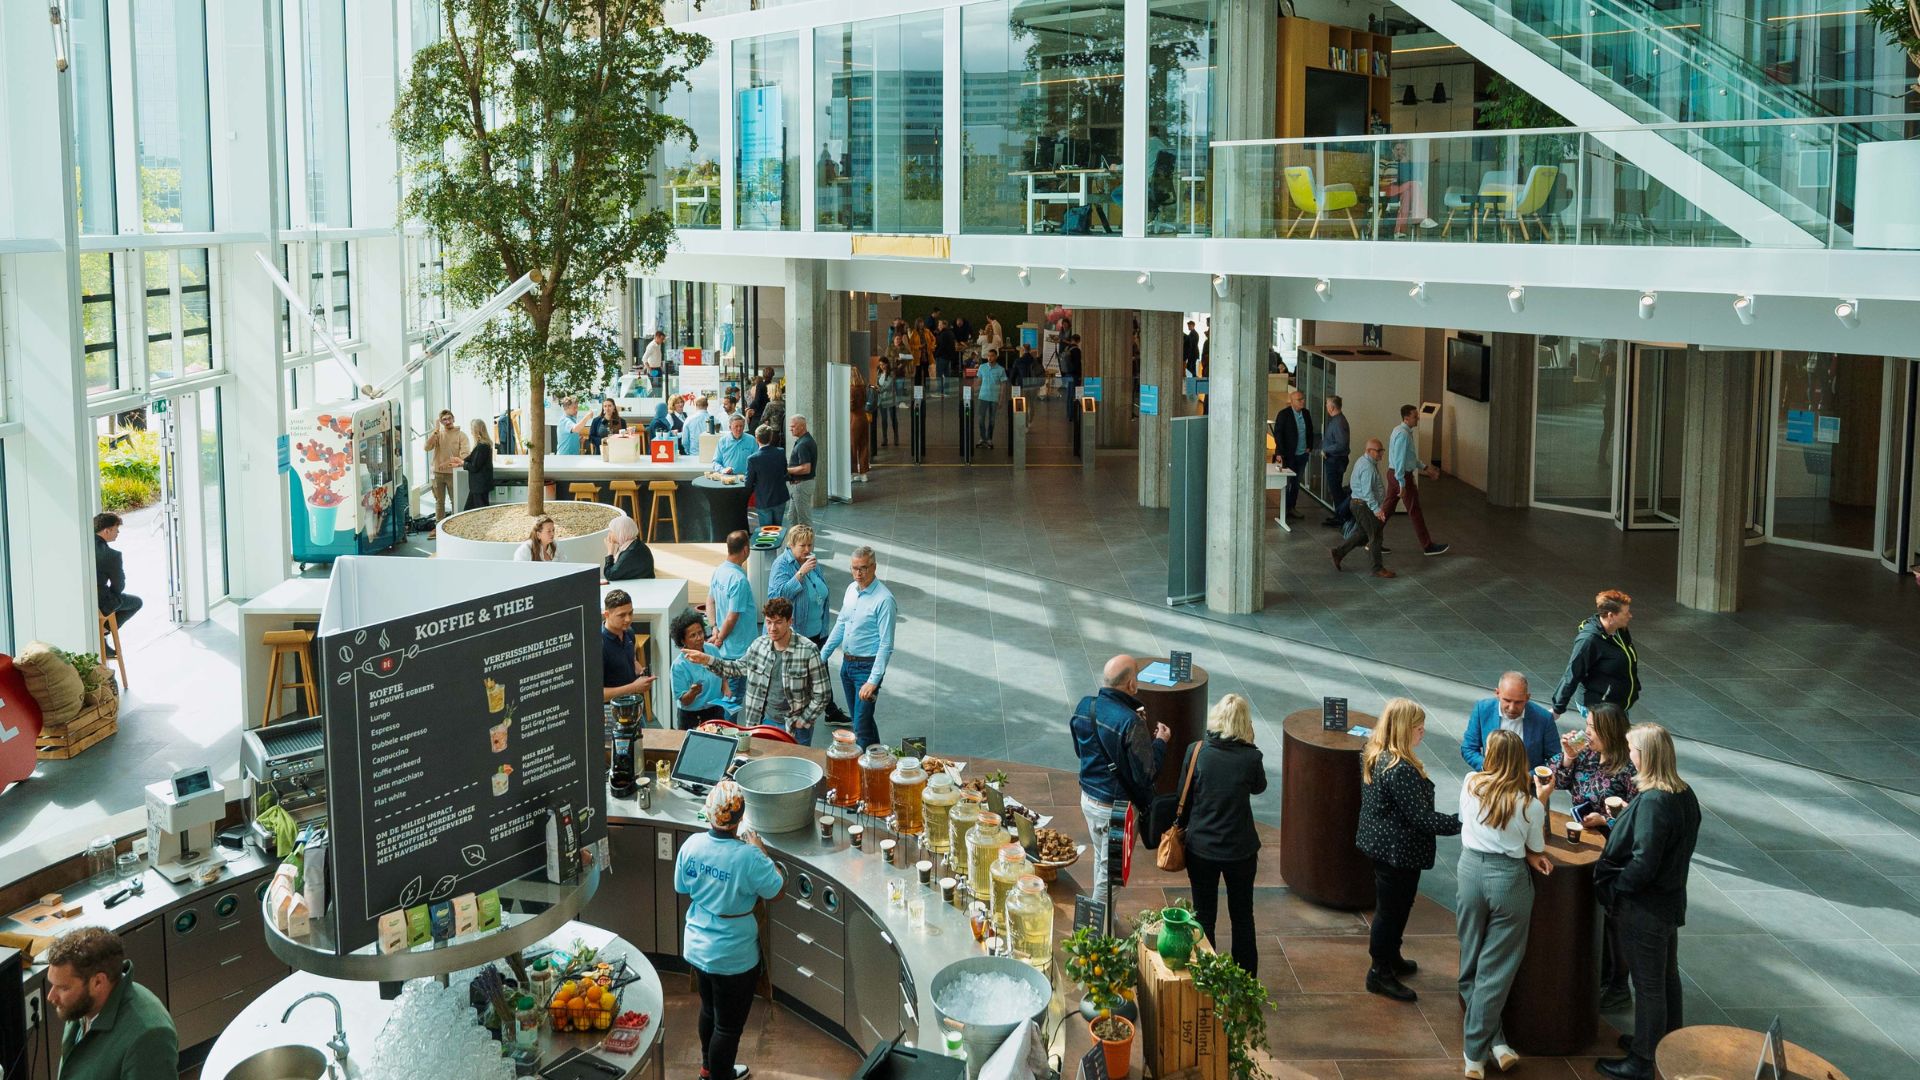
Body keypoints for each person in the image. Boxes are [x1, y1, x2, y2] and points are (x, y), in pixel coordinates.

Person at [1593, 724, 1700, 1080]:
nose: (1629, 756)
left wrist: (1619, 888)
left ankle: (1642, 1060)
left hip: (1645, 908)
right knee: (1667, 977)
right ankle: (1665, 1043)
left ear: (1647, 756)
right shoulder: (1684, 794)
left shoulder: (1654, 801)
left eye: (1632, 750)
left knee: (1649, 984)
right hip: (1670, 902)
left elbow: (1644, 861)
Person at [1455, 729, 1555, 1079]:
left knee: (1471, 959)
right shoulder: (1530, 805)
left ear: (1490, 756)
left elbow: (1467, 822)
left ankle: (1493, 1043)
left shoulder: (1470, 783)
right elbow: (1536, 848)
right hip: (1509, 882)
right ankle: (1476, 1052)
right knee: (1496, 970)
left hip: (1470, 873)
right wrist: (1540, 796)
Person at [674, 779, 784, 1080]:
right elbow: (776, 890)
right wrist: (761, 850)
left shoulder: (692, 845)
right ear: (739, 820)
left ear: (709, 813)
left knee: (710, 1010)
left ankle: (707, 1070)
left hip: (697, 948)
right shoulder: (749, 857)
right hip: (734, 957)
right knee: (728, 1027)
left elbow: (681, 886)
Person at [1355, 698, 1462, 1002]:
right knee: (1391, 912)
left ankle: (1392, 956)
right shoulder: (1399, 769)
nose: (1423, 732)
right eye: (1418, 727)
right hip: (1397, 852)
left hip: (1382, 844)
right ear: (1403, 729)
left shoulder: (1372, 753)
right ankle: (1379, 972)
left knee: (1396, 906)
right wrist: (1463, 823)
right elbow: (1422, 818)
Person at [1549, 701, 1638, 1010]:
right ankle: (1594, 974)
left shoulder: (1629, 767)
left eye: (1592, 730)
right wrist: (1568, 757)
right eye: (1586, 728)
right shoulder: (1584, 754)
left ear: (1609, 733)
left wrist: (1608, 820)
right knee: (1589, 911)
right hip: (1583, 844)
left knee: (1614, 920)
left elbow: (1641, 814)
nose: (1586, 734)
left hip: (1616, 851)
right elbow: (1556, 780)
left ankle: (1617, 986)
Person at [1174, 694, 1267, 974]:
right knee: (1242, 917)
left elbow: (1183, 796)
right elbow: (1259, 787)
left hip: (1201, 848)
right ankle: (1246, 980)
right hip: (1241, 851)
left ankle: (1206, 976)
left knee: (1204, 917)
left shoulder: (1197, 751)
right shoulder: (1251, 757)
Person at [1070, 655, 1172, 902]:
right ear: (1132, 684)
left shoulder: (1085, 707)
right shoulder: (1130, 722)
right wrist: (1160, 742)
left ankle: (1106, 920)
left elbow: (1080, 750)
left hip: (1089, 799)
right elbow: (1147, 773)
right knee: (1112, 877)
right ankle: (1098, 934)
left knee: (1102, 863)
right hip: (1117, 811)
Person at [684, 597, 831, 742]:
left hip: (794, 726)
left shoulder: (808, 651)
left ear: (789, 621)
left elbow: (823, 693)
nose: (772, 628)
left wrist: (804, 720)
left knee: (795, 765)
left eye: (778, 622)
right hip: (762, 722)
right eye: (769, 622)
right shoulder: (758, 646)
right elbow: (735, 668)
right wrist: (706, 659)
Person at [45, 926, 177, 1080]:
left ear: (98, 982)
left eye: (63, 988)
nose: (51, 997)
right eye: (52, 985)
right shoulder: (82, 1005)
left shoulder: (149, 1036)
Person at [768, 526, 849, 727]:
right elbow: (778, 598)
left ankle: (830, 711)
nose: (807, 549)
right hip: (797, 634)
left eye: (810, 544)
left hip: (817, 630)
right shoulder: (782, 565)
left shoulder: (811, 560)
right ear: (791, 545)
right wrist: (800, 574)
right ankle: (794, 716)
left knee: (822, 670)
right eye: (802, 545)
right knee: (800, 678)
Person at [818, 546, 897, 750]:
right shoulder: (851, 589)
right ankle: (879, 762)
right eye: (854, 568)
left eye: (863, 568)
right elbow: (842, 623)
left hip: (867, 669)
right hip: (848, 665)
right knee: (863, 721)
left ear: (874, 567)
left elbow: (886, 644)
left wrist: (873, 681)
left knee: (860, 727)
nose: (858, 574)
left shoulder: (884, 600)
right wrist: (822, 656)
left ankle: (861, 775)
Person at [1551, 589, 1642, 718]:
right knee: (1608, 738)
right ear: (1611, 615)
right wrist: (1557, 708)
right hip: (1599, 708)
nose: (1630, 616)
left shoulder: (1619, 631)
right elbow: (1573, 673)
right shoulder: (1588, 640)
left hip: (1617, 705)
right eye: (1626, 613)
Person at [1385, 403, 1450, 557]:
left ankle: (1371, 540)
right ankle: (1427, 546)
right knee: (1414, 510)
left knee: (1387, 509)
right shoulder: (1403, 435)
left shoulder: (1400, 431)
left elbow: (1410, 458)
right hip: (1401, 476)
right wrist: (1402, 483)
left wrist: (1426, 468)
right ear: (1406, 417)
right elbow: (1400, 461)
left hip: (1395, 474)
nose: (1418, 419)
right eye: (1415, 416)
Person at [1461, 672, 1560, 771]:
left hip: (1528, 783)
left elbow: (1555, 758)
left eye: (1518, 702)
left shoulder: (1544, 719)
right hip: (1491, 779)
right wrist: (1488, 768)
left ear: (1527, 697)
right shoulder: (1482, 709)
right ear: (1497, 693)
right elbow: (1468, 749)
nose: (1512, 708)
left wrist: (1528, 777)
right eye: (1507, 700)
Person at [1330, 438, 1395, 579]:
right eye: (1378, 451)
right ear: (1369, 451)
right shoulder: (1367, 467)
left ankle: (1339, 552)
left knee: (1362, 534)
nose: (1381, 454)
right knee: (1376, 535)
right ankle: (1377, 568)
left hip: (1359, 504)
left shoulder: (1365, 462)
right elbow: (1367, 492)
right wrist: (1377, 509)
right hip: (1363, 505)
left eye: (1382, 450)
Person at [707, 530, 757, 701]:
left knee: (726, 692)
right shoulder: (738, 580)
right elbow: (732, 617)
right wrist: (720, 637)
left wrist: (714, 627)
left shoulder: (719, 571)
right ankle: (727, 727)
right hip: (738, 650)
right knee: (733, 697)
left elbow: (710, 601)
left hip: (724, 647)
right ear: (745, 550)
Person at [669, 610, 728, 727]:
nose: (699, 638)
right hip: (692, 717)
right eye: (692, 635)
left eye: (700, 632)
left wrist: (726, 688)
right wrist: (692, 692)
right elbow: (684, 701)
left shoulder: (712, 650)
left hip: (716, 710)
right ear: (682, 640)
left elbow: (722, 671)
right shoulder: (679, 666)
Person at [600, 589, 657, 704]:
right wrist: (634, 687)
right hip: (610, 712)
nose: (628, 619)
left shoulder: (629, 632)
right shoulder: (599, 645)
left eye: (630, 613)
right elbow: (596, 694)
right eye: (622, 615)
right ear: (606, 615)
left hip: (631, 704)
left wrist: (640, 671)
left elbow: (632, 659)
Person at [93, 512, 142, 639]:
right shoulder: (111, 555)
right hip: (100, 603)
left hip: (80, 599)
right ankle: (103, 633)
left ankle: (101, 634)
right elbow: (119, 585)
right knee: (137, 602)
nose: (118, 533)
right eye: (116, 529)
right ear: (107, 531)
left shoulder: (81, 546)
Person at [1272, 389, 1316, 527]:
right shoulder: (1284, 415)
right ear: (1292, 402)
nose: (1303, 401)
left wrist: (1310, 446)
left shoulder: (1306, 413)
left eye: (1303, 399)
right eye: (1299, 399)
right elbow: (1278, 435)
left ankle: (1292, 507)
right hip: (1289, 455)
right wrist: (1280, 453)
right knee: (1287, 482)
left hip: (1302, 454)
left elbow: (1310, 430)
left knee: (1296, 483)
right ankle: (1284, 509)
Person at [425, 409, 470, 524]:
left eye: (449, 418)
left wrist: (448, 464)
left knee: (455, 500)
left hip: (453, 474)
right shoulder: (438, 435)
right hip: (437, 473)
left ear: (453, 419)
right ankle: (438, 526)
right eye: (444, 419)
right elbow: (426, 447)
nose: (447, 421)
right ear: (441, 421)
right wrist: (435, 431)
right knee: (439, 502)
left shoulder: (461, 435)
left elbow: (464, 456)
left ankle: (455, 525)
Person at [745, 425, 790, 528]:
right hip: (780, 497)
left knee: (766, 532)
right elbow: (784, 472)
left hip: (763, 499)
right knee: (778, 528)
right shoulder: (780, 452)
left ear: (756, 438)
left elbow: (748, 484)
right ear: (770, 437)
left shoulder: (752, 459)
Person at [1321, 395, 1352, 529]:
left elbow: (1342, 444)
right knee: (1335, 489)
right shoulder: (1336, 420)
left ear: (1332, 407)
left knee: (1336, 490)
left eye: (1327, 404)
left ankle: (1341, 516)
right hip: (1334, 459)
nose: (1326, 407)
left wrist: (1326, 449)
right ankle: (1339, 514)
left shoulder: (1339, 422)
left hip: (1336, 460)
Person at [786, 416, 818, 528]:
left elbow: (806, 468)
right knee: (792, 517)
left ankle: (807, 545)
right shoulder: (805, 440)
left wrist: (786, 470)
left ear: (802, 426)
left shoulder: (803, 444)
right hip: (801, 485)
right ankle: (795, 543)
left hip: (801, 485)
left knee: (805, 521)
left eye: (793, 426)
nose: (790, 429)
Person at [603, 514, 654, 581]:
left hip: (639, 588)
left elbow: (610, 575)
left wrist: (610, 552)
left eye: (612, 531)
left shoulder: (631, 552)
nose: (609, 534)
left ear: (621, 533)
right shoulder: (635, 544)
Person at [975, 349, 1008, 449]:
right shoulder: (982, 367)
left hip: (994, 398)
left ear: (996, 357)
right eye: (988, 356)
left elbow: (1003, 385)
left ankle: (989, 439)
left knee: (992, 420)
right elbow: (978, 381)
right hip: (983, 397)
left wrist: (1001, 399)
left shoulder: (1001, 369)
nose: (989, 358)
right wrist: (971, 391)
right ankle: (982, 438)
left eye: (992, 356)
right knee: (981, 419)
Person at [460, 419, 495, 509]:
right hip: (478, 486)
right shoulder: (481, 445)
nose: (471, 432)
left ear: (477, 430)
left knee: (479, 511)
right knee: (469, 510)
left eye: (472, 429)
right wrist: (460, 461)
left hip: (479, 486)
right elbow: (472, 458)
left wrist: (463, 463)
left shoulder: (482, 446)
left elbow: (474, 467)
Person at [875, 359, 900, 448]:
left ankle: (896, 437)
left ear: (887, 364)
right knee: (884, 420)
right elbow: (877, 383)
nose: (881, 366)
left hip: (890, 400)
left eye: (883, 364)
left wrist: (879, 389)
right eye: (880, 364)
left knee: (893, 419)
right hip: (882, 400)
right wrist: (875, 386)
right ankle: (885, 439)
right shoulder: (879, 373)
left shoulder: (891, 374)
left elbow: (888, 385)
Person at [642, 329, 666, 396]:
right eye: (661, 339)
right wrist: (649, 369)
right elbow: (644, 358)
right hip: (653, 370)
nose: (662, 341)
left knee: (660, 389)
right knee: (656, 389)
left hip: (658, 368)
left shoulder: (658, 345)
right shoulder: (651, 346)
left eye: (663, 339)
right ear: (656, 337)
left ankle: (659, 401)